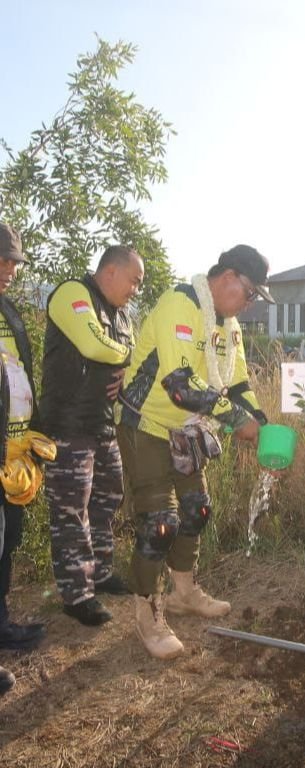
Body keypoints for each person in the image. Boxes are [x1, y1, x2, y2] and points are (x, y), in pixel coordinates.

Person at [116, 244, 275, 659]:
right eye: (251, 293)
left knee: (197, 509)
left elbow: (237, 383)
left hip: (185, 428)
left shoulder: (230, 324)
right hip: (145, 423)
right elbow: (180, 384)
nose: (251, 302)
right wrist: (236, 421)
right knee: (160, 523)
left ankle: (183, 593)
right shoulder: (180, 304)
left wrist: (260, 417)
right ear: (227, 280)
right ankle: (148, 612)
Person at [40, 246, 143, 625]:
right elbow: (92, 345)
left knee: (108, 496)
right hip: (67, 424)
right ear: (111, 271)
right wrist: (122, 355)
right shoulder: (72, 293)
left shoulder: (121, 314)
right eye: (134, 281)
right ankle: (76, 594)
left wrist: (121, 358)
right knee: (71, 509)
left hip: (100, 423)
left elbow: (125, 351)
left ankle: (99, 572)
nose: (135, 290)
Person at [0, 222, 46, 667]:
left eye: (14, 261)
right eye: (4, 259)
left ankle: (2, 624)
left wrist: (31, 432)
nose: (11, 268)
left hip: (13, 454)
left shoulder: (8, 311)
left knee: (7, 539)